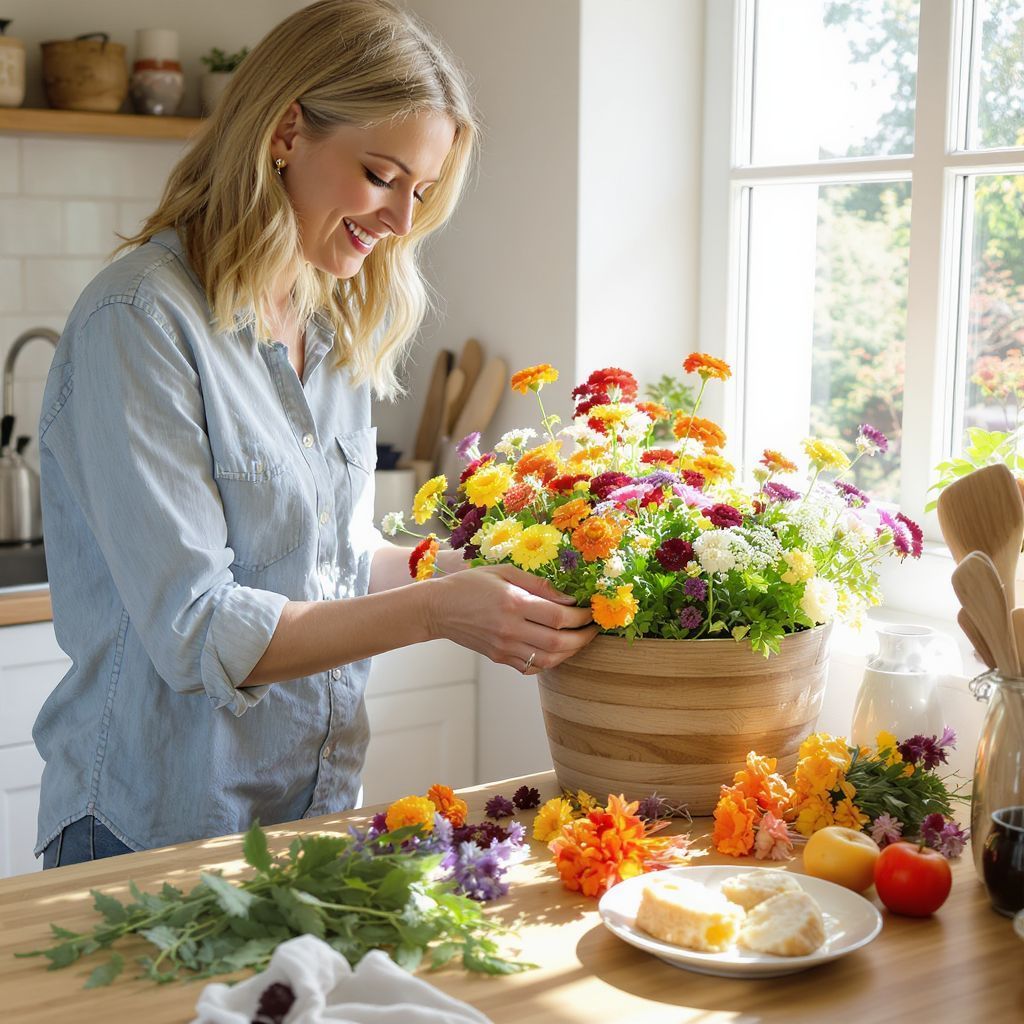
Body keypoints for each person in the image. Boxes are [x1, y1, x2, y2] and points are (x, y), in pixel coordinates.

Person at [34, 0, 596, 869]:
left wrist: (466, 576)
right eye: (381, 175)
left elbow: (332, 555)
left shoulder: (327, 322)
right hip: (151, 827)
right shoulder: (138, 319)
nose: (403, 221)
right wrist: (440, 610)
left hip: (307, 807)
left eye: (421, 190)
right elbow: (198, 628)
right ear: (288, 129)